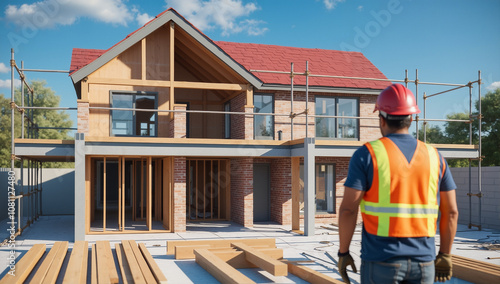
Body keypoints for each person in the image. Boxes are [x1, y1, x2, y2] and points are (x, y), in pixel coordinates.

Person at [337, 83, 459, 284]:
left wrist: (343, 253)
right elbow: (451, 212)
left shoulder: (367, 154)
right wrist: (445, 254)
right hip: (424, 264)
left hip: (380, 261)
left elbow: (348, 210)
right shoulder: (435, 157)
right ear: (411, 118)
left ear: (381, 119)